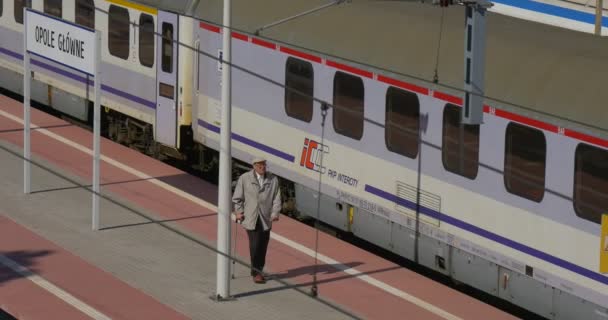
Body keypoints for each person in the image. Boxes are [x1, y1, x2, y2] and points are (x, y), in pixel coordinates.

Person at [232, 157, 281, 284]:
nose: (262, 167)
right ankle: (256, 272)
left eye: (264, 165)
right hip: (250, 217)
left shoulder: (273, 180)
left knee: (263, 245)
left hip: (265, 218)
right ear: (253, 166)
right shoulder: (245, 178)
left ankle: (259, 268)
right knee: (255, 245)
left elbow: (276, 198)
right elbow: (237, 198)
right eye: (259, 165)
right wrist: (238, 212)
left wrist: (275, 213)